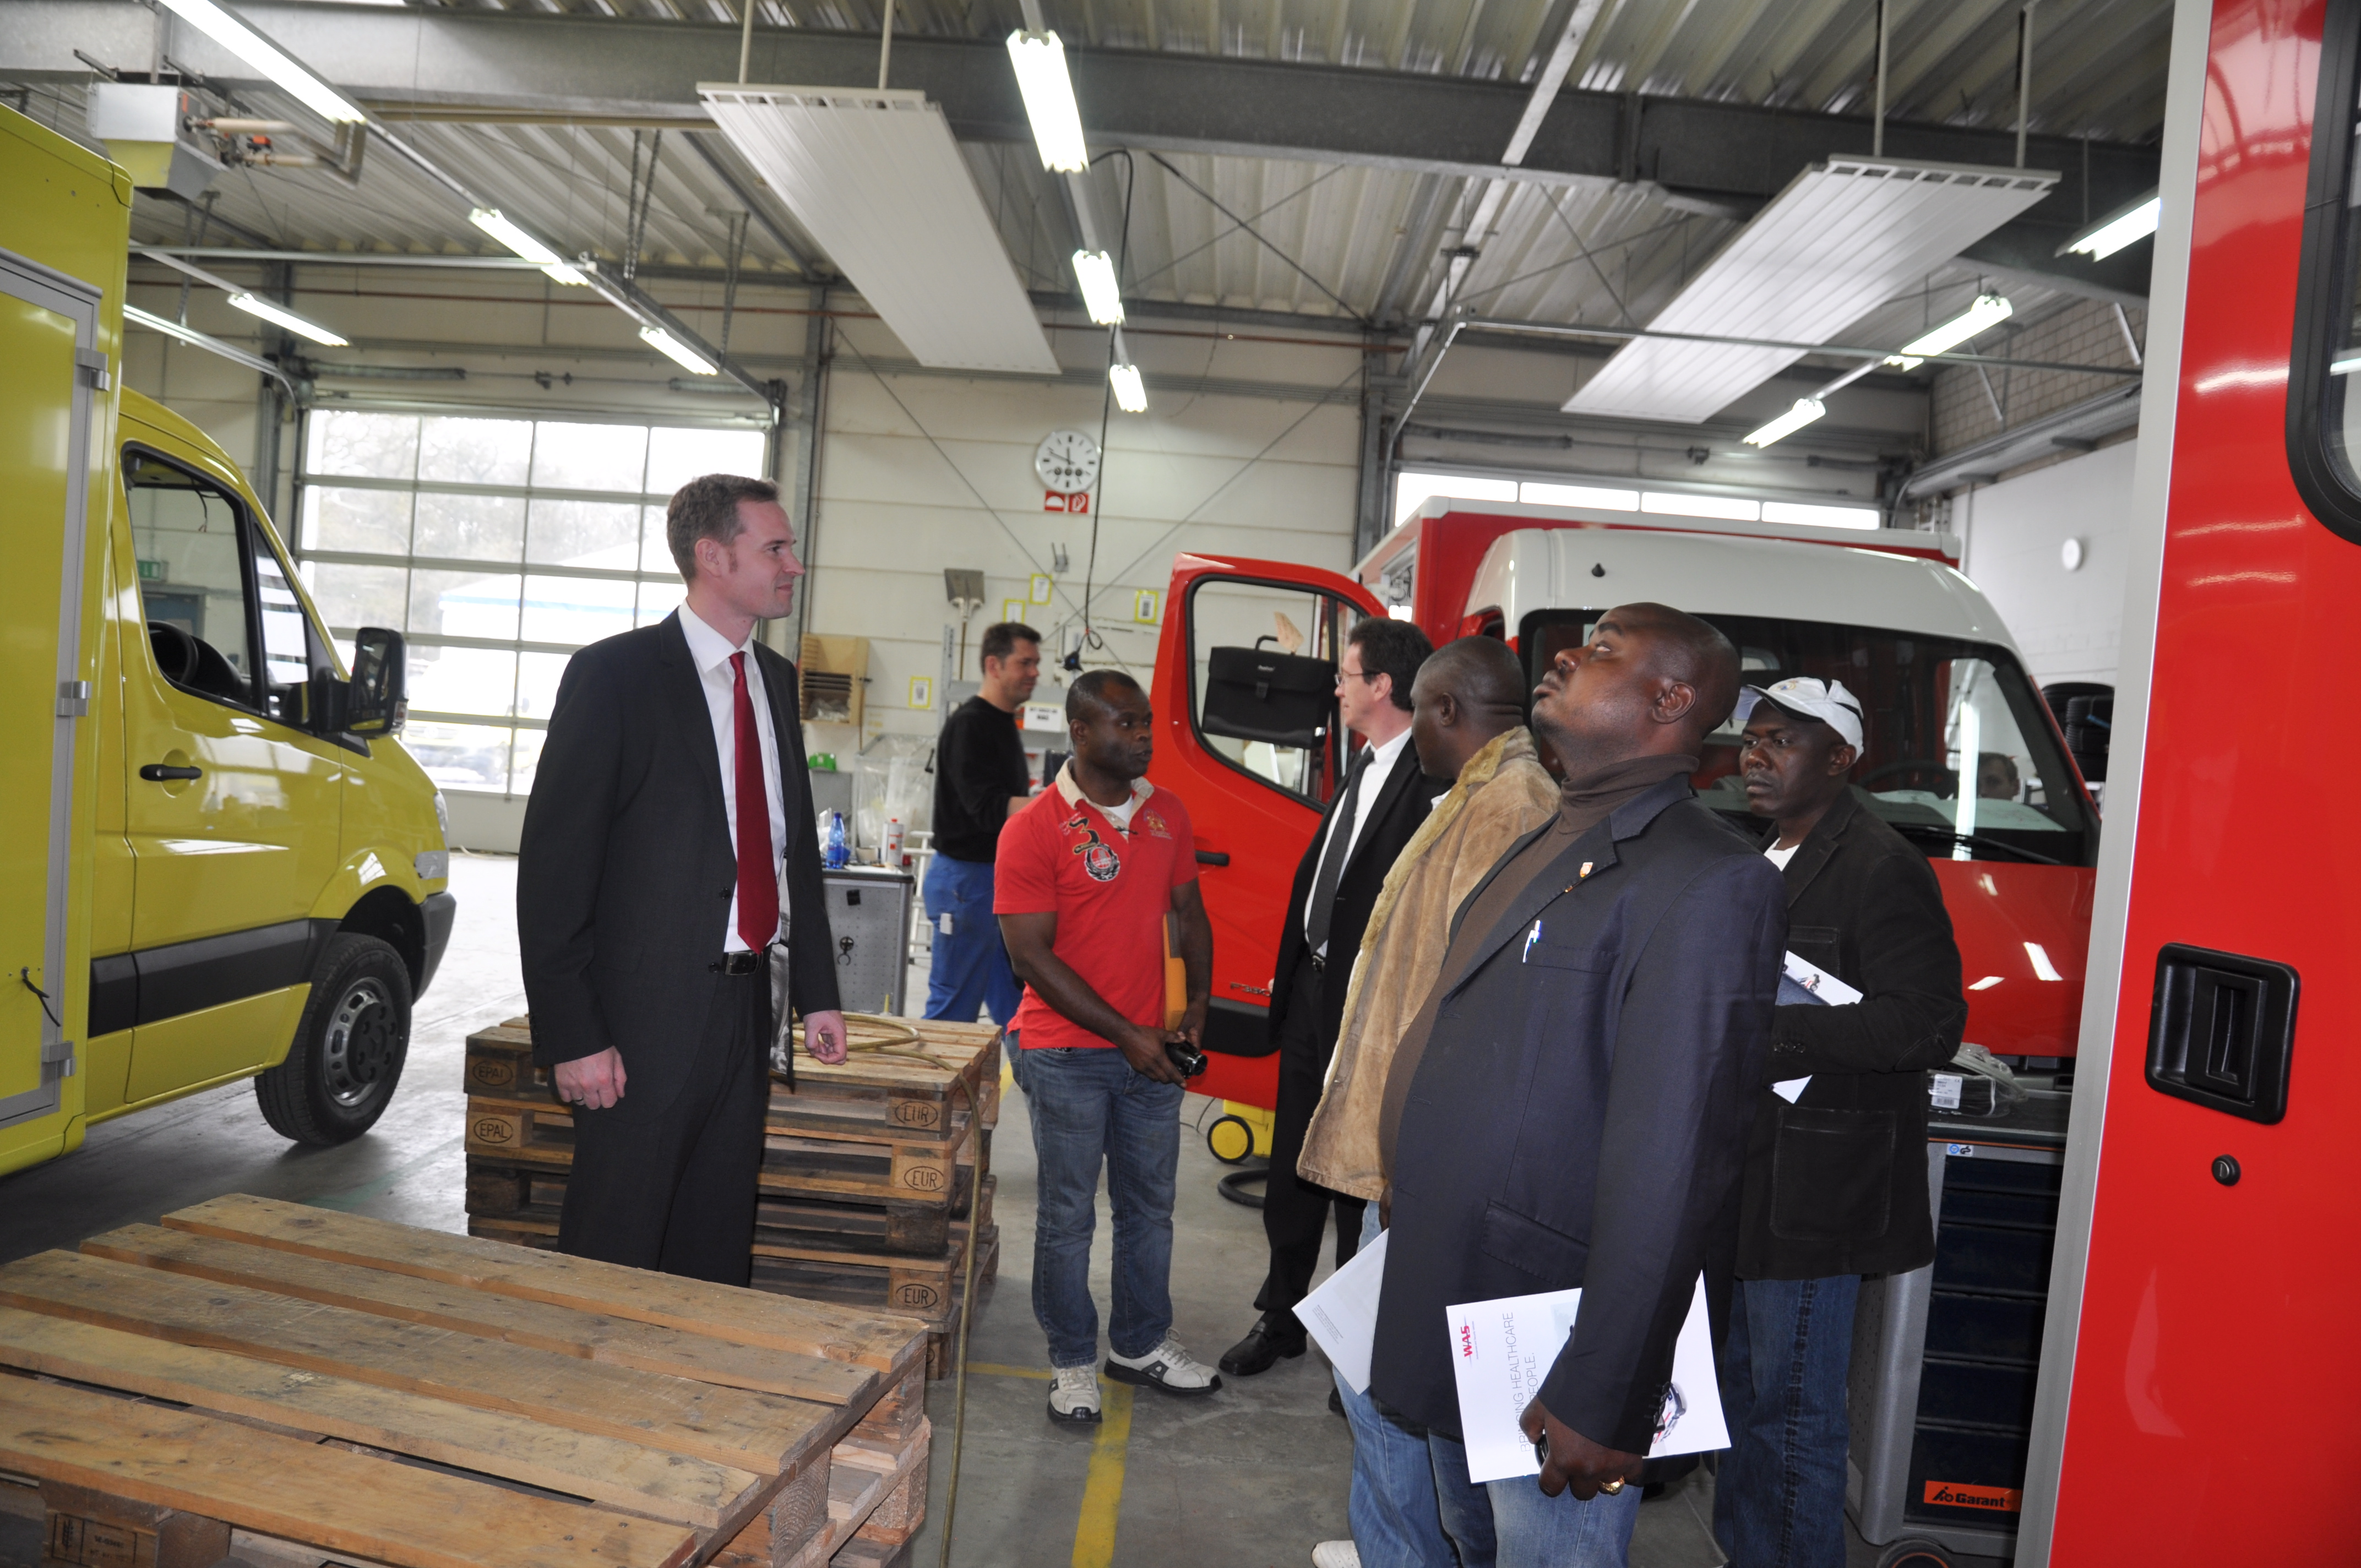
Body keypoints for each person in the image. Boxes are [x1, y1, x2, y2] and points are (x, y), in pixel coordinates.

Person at [1370, 603, 1787, 1568]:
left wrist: (1606, 1388)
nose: (1562, 656)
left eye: (1601, 650)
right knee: (1470, 1543)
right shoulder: (1556, 830)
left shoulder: (1709, 880)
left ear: (1670, 701)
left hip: (1549, 1332)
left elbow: (1676, 1159)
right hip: (1459, 1286)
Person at [518, 473, 850, 1283]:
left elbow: (791, 851)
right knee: (615, 1243)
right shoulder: (616, 677)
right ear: (713, 556)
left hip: (746, 1007)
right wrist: (574, 1035)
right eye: (776, 548)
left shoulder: (774, 681)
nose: (794, 565)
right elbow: (554, 872)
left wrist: (816, 993)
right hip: (638, 1025)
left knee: (715, 1237)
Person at [1297, 635, 1560, 1568]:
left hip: (1429, 1159)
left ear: (1446, 710)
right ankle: (1402, 1548)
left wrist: (1426, 1159)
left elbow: (1486, 1010)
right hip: (1411, 1148)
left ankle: (1411, 1553)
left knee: (1392, 1383)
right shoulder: (1483, 795)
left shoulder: (1512, 806)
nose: (1412, 735)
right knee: (1383, 1378)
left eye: (1420, 715)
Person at [1713, 678, 1968, 1568]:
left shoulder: (1879, 865)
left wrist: (1767, 1031)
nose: (1755, 756)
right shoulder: (1764, 855)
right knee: (1743, 1400)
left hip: (1819, 1194)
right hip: (1749, 1176)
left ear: (1840, 757)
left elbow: (1929, 1022)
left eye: (1780, 741)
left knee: (1791, 1415)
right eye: (1751, 739)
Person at [997, 669, 1221, 1424]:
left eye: (1145, 722)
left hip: (1153, 1051)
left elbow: (1190, 913)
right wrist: (1127, 1035)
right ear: (1081, 732)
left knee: (1149, 1210)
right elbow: (1030, 958)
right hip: (1067, 1054)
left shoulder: (1167, 814)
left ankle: (1139, 1344)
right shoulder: (1034, 828)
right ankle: (1070, 1361)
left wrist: (1195, 1007)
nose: (1144, 736)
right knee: (1068, 1216)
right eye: (1126, 724)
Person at [1221, 617, 1438, 1381]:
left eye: (1346, 676)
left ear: (1382, 685)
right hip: (1314, 993)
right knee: (1292, 1166)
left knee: (1354, 1178)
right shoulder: (1364, 764)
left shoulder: (1430, 782)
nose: (1336, 688)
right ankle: (1281, 1316)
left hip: (1370, 1009)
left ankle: (1351, 1346)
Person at [924, 621, 1042, 1023]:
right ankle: (938, 1068)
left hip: (994, 881)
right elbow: (987, 807)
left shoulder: (1002, 723)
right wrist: (1054, 806)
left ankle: (1029, 1065)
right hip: (965, 884)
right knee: (954, 1007)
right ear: (994, 665)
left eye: (1036, 663)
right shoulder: (970, 725)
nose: (1035, 673)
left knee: (1016, 1004)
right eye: (1024, 663)